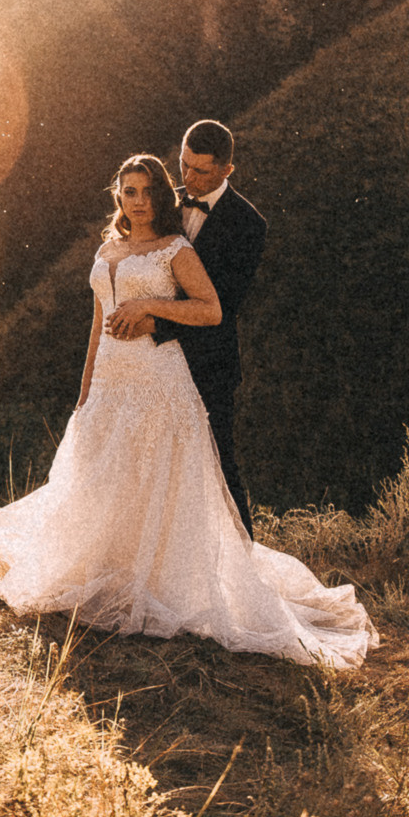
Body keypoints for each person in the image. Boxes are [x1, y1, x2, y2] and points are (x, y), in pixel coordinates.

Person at [0, 153, 376, 668]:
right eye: (129, 191)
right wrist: (85, 389)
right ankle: (111, 569)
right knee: (105, 477)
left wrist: (150, 307)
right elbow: (97, 324)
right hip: (110, 381)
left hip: (158, 376)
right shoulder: (107, 248)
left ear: (160, 197)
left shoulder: (175, 248)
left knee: (156, 479)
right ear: (118, 195)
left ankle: (162, 580)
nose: (138, 201)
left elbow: (210, 310)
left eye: (146, 192)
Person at [130, 120, 264, 535]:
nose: (187, 179)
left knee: (218, 462)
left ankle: (245, 559)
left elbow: (221, 305)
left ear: (227, 170)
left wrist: (155, 322)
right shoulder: (166, 203)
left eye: (200, 171)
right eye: (184, 166)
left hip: (209, 363)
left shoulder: (248, 225)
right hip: (151, 362)